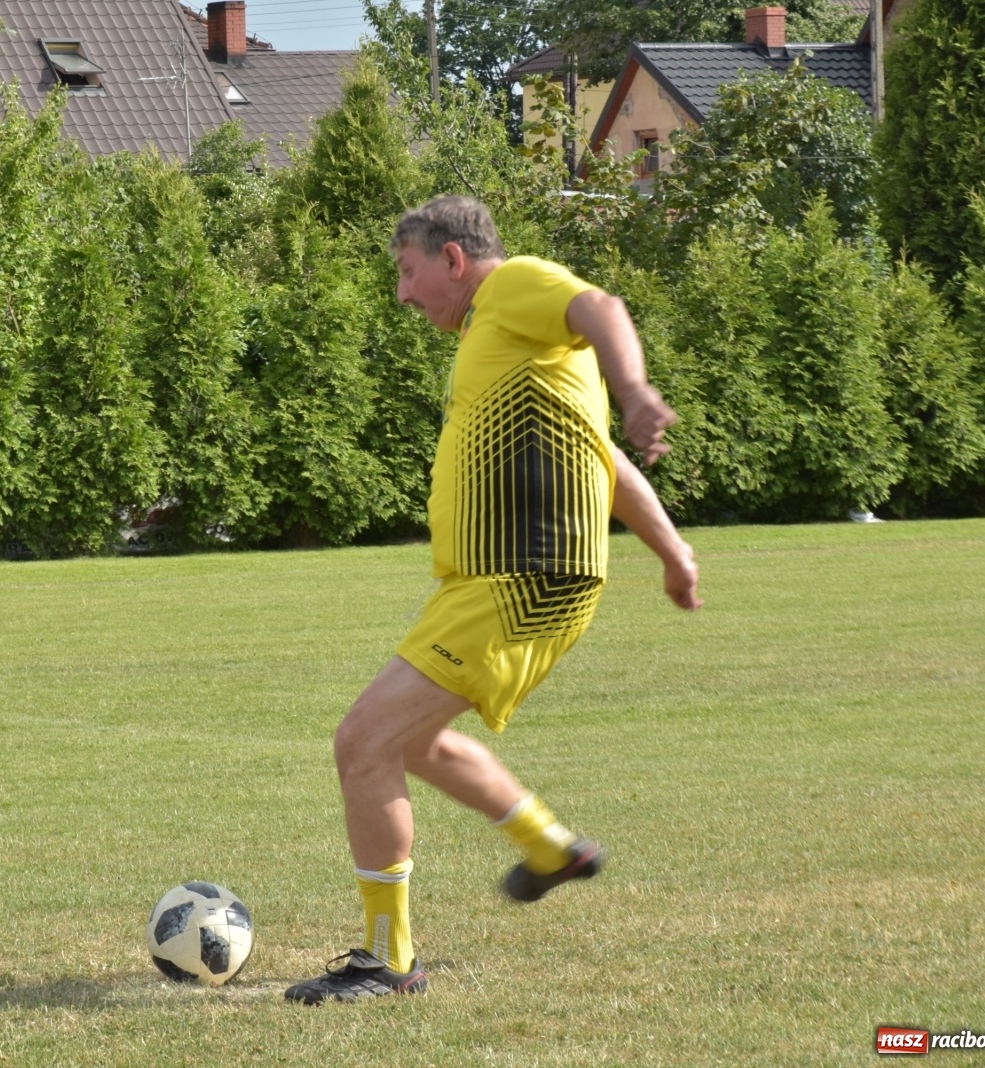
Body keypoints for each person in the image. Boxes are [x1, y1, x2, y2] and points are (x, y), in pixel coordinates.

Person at [284, 195, 703, 1005]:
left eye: (408, 271)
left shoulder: (511, 286)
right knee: (410, 740)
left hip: (522, 576)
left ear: (453, 258)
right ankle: (550, 848)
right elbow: (602, 458)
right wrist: (673, 551)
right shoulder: (509, 344)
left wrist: (636, 388)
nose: (402, 294)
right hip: (494, 580)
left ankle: (387, 962)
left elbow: (602, 305)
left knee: (363, 741)